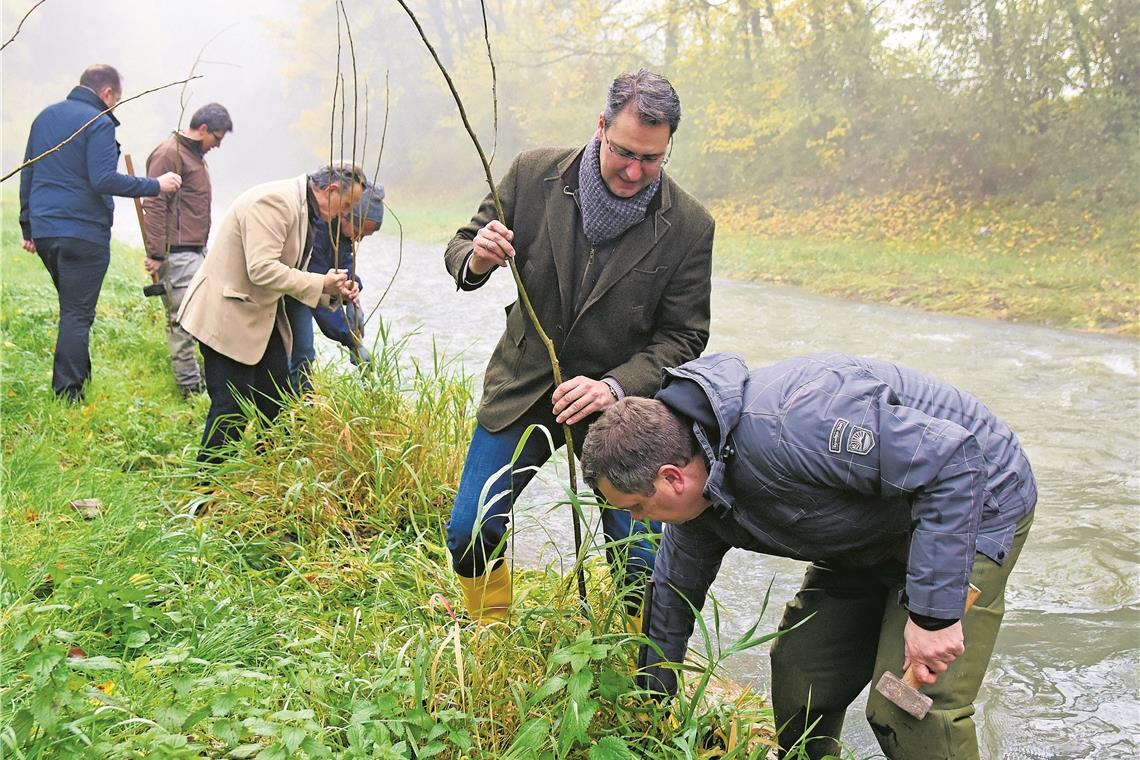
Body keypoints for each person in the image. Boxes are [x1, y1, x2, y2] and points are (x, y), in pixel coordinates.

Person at [580, 352, 1037, 760]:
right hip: (869, 529)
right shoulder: (698, 505)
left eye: (636, 506)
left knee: (907, 708)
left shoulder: (794, 426)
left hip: (973, 503)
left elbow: (952, 461)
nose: (639, 521)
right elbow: (672, 601)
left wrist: (933, 619)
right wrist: (649, 713)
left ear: (671, 478)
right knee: (803, 673)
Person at [443, 69, 714, 623]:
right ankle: (490, 638)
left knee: (640, 557)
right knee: (471, 528)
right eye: (624, 152)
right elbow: (463, 244)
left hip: (622, 410)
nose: (636, 171)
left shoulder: (690, 225)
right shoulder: (532, 173)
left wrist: (614, 387)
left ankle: (647, 679)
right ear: (600, 127)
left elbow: (686, 337)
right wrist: (477, 258)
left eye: (654, 159)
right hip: (523, 387)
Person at [177, 164, 365, 464]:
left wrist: (333, 291)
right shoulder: (276, 202)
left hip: (260, 317)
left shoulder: (306, 208)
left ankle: (272, 480)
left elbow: (292, 271)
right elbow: (262, 269)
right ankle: (205, 489)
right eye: (345, 206)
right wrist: (321, 282)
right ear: (330, 190)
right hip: (228, 315)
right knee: (231, 409)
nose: (344, 215)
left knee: (276, 401)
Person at [18, 64, 182, 403]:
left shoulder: (44, 117)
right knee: (77, 313)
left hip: (47, 231)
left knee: (72, 309)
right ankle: (68, 394)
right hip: (83, 233)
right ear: (107, 93)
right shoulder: (99, 122)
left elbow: (28, 174)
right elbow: (103, 179)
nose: (115, 107)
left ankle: (80, 376)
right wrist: (156, 185)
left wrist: (28, 227)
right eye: (117, 100)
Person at [141, 103, 234, 399]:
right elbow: (153, 202)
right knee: (182, 323)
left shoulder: (196, 155)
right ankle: (189, 391)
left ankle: (204, 383)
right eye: (216, 138)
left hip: (196, 252)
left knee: (205, 319)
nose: (218, 145)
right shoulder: (170, 153)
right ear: (203, 129)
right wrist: (156, 254)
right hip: (177, 255)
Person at [285, 183, 385, 392]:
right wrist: (350, 339)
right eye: (359, 231)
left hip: (313, 289)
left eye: (365, 236)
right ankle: (299, 411)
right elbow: (318, 285)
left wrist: (353, 285)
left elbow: (343, 265)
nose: (358, 239)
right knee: (302, 353)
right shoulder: (319, 229)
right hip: (294, 291)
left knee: (301, 353)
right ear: (346, 216)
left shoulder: (343, 234)